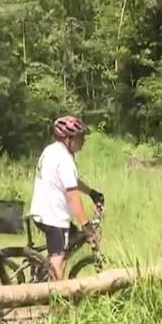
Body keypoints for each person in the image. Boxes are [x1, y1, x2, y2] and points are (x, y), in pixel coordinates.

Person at [28, 115, 105, 280]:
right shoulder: (64, 159)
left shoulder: (51, 150)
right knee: (59, 265)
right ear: (68, 138)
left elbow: (70, 181)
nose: (83, 140)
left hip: (41, 211)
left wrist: (91, 192)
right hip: (54, 218)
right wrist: (87, 226)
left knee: (72, 238)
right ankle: (57, 302)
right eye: (80, 137)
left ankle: (43, 272)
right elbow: (72, 197)